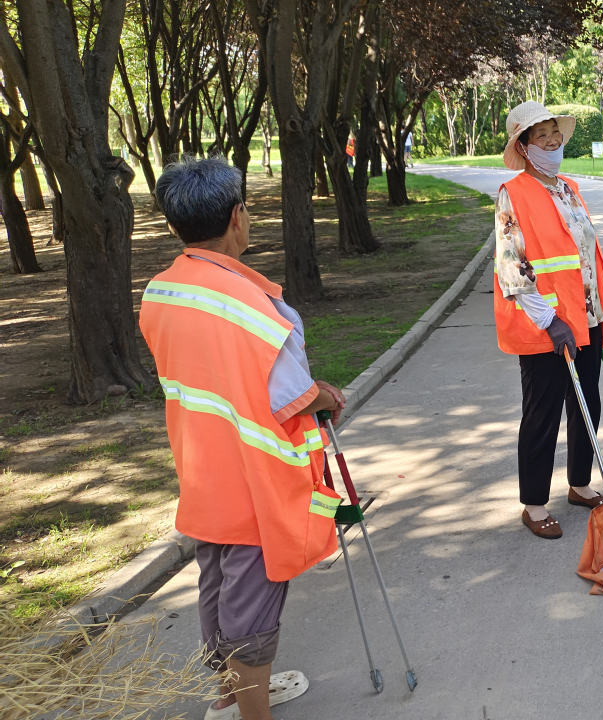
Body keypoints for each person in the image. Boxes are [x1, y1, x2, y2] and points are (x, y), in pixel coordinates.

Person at [139, 157, 347, 720]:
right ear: (237, 217)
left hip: (203, 470)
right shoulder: (257, 310)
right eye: (248, 209)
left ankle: (228, 698)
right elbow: (292, 398)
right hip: (257, 479)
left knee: (217, 586)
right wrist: (328, 395)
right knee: (253, 608)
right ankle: (254, 711)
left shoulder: (161, 291)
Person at [493, 101, 603, 539]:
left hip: (587, 317)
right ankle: (533, 503)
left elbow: (582, 254)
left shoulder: (568, 188)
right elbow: (513, 268)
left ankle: (580, 484)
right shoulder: (514, 193)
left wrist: (594, 312)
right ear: (524, 147)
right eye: (539, 135)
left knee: (587, 404)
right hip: (546, 324)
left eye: (553, 132)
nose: (550, 140)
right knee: (542, 411)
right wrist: (550, 321)